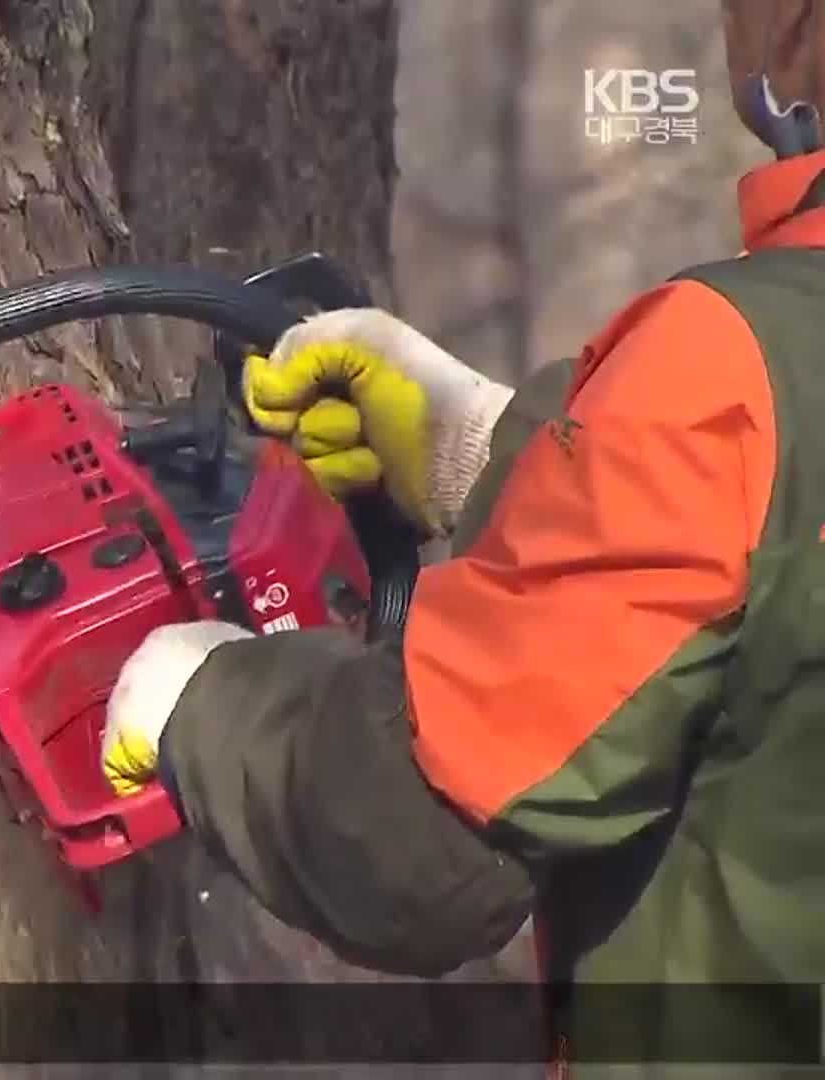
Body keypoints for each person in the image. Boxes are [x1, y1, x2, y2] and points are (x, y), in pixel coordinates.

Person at [99, 0, 825, 1067]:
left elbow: (429, 840)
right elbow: (756, 559)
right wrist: (484, 448)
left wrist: (199, 699)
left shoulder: (727, 372)